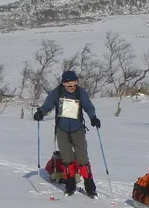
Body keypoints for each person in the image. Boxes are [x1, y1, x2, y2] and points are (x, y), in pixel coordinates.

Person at [33, 70, 101, 198]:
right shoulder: (57, 93)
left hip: (78, 130)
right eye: (70, 85)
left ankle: (90, 187)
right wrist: (40, 113)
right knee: (67, 159)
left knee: (83, 159)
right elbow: (47, 105)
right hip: (62, 130)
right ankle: (70, 186)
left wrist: (93, 118)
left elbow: (88, 106)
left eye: (74, 84)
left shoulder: (80, 92)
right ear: (64, 84)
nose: (72, 87)